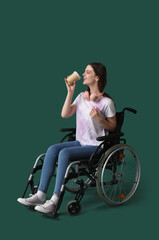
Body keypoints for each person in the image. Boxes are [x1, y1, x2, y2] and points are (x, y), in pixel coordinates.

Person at [17, 62, 116, 216]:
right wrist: (70, 92)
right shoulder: (81, 97)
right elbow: (64, 114)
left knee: (64, 154)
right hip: (80, 142)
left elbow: (112, 127)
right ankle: (41, 195)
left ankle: (54, 201)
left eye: (87, 72)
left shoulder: (106, 103)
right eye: (84, 71)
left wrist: (99, 119)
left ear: (97, 77)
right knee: (52, 149)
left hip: (95, 145)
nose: (83, 74)